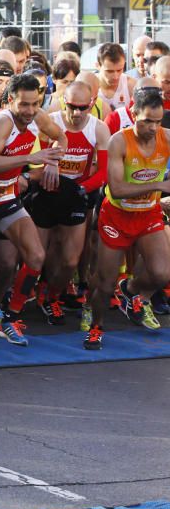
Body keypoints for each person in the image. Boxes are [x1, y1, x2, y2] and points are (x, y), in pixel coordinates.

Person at [0, 73, 67, 346]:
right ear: (10, 101)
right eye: (24, 105)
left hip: (7, 200)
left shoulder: (38, 116)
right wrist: (30, 158)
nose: (30, 111)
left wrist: (53, 162)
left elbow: (61, 137)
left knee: (32, 257)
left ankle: (4, 315)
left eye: (35, 104)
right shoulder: (2, 123)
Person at [85, 87, 170, 350]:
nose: (153, 128)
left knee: (161, 273)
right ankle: (96, 326)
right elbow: (118, 189)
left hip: (148, 214)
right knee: (105, 282)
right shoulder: (119, 141)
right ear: (133, 114)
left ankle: (131, 291)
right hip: (117, 216)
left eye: (157, 121)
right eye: (147, 121)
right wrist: (160, 186)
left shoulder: (166, 137)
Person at [26, 80, 110, 325]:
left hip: (76, 194)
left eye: (82, 107)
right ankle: (21, 300)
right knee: (38, 255)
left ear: (92, 104)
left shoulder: (99, 129)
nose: (76, 113)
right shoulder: (51, 122)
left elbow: (103, 173)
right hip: (47, 190)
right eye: (71, 106)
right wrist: (48, 165)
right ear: (64, 102)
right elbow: (34, 162)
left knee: (71, 260)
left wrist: (80, 189)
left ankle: (52, 295)